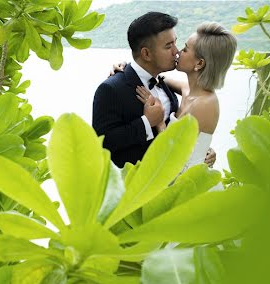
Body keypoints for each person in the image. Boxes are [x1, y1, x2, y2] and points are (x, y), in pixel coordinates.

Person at [91, 12, 214, 169]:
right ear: (146, 54)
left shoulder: (163, 82)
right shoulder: (110, 89)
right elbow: (103, 142)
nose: (176, 51)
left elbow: (176, 135)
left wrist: (201, 152)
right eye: (168, 46)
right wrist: (146, 122)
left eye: (175, 43)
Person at [134, 22, 238, 172]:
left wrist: (159, 121)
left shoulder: (205, 104)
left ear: (199, 63)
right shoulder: (187, 90)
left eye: (185, 49)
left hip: (186, 180)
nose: (178, 52)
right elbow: (157, 76)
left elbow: (173, 154)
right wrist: (125, 68)